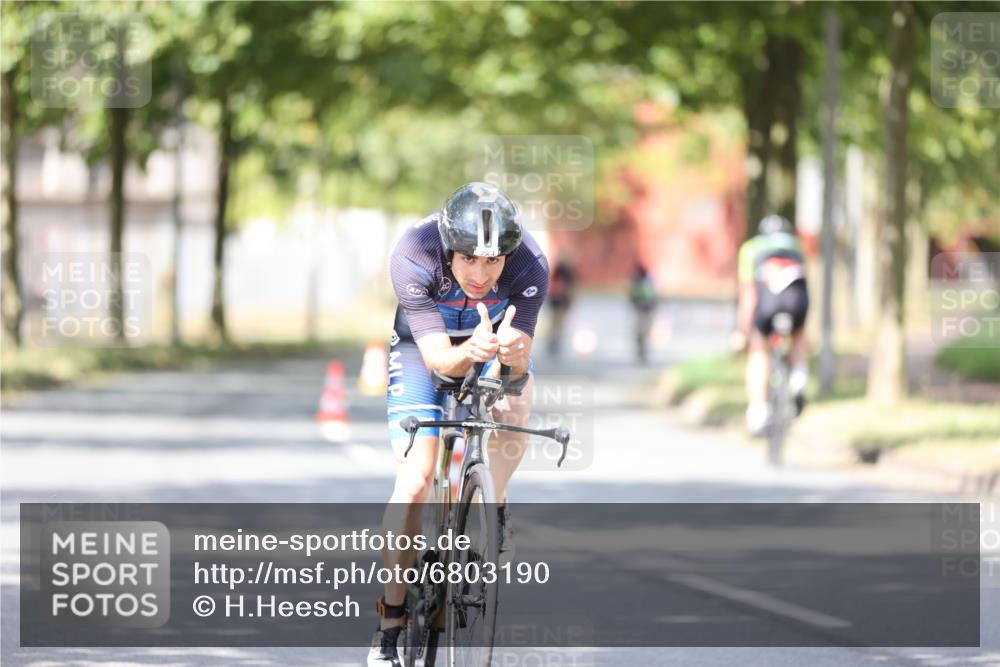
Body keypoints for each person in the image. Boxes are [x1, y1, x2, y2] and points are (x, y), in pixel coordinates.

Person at [369, 182, 549, 666]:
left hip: (489, 342)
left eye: (493, 262)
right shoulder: (415, 250)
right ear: (449, 246)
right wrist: (467, 353)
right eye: (468, 258)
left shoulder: (531, 263)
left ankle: (495, 499)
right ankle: (390, 621)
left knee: (515, 406)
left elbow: (518, 367)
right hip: (424, 347)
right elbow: (436, 359)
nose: (480, 272)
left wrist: (512, 358)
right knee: (416, 480)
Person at [730, 214, 811, 436]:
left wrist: (742, 331)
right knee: (798, 335)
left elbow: (749, 297)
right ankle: (799, 375)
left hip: (767, 306)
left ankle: (758, 411)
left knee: (759, 351)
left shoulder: (751, 249)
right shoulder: (797, 246)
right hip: (797, 305)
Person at [547, 257, 577, 356]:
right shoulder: (566, 275)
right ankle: (554, 341)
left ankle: (554, 341)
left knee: (556, 324)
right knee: (558, 324)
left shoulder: (560, 274)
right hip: (560, 303)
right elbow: (569, 291)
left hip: (557, 302)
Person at [629, 263, 657, 363]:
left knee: (643, 332)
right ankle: (641, 351)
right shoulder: (645, 282)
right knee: (642, 332)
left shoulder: (641, 282)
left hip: (644, 310)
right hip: (643, 310)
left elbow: (632, 297)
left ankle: (642, 351)